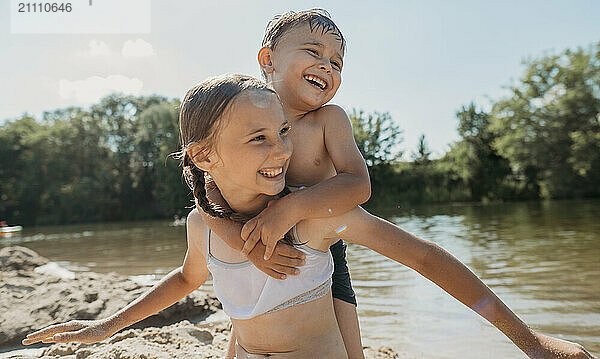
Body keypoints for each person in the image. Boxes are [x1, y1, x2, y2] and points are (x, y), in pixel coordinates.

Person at [22, 75, 594, 359]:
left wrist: (530, 342)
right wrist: (102, 328)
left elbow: (425, 257)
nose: (281, 152)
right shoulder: (202, 224)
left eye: (283, 136)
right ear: (203, 157)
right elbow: (187, 280)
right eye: (258, 139)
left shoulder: (314, 220)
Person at [202, 9, 367, 358]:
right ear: (268, 60)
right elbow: (205, 187)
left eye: (337, 63)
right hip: (252, 233)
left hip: (322, 247)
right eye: (314, 51)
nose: (327, 66)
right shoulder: (243, 109)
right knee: (248, 319)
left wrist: (292, 207)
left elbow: (358, 184)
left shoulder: (329, 121)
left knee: (349, 341)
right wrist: (243, 242)